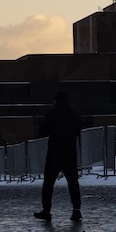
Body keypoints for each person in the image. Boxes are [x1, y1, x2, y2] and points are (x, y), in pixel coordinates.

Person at [34, 91, 84, 222]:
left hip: (54, 153)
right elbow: (78, 130)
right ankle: (76, 210)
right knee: (73, 182)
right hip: (70, 152)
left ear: (55, 101)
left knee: (48, 183)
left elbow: (43, 131)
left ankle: (46, 210)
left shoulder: (52, 114)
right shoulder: (75, 114)